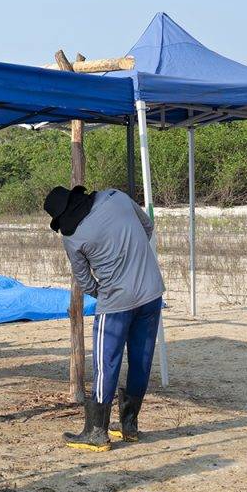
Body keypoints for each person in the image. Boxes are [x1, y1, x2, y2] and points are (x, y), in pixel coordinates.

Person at [44, 184, 165, 451]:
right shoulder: (116, 197)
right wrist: (133, 259)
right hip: (151, 292)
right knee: (141, 360)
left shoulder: (72, 237)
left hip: (115, 303)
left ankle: (96, 432)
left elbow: (85, 280)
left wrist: (106, 291)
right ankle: (129, 426)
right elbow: (147, 226)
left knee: (105, 364)